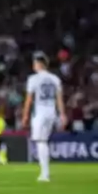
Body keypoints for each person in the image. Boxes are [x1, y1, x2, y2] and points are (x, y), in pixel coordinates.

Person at [23, 52, 66, 182]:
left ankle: (45, 173)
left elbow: (29, 99)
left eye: (35, 63)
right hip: (51, 112)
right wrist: (62, 114)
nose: (33, 66)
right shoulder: (55, 79)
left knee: (41, 142)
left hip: (40, 113)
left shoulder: (33, 79)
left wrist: (25, 115)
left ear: (39, 64)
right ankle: (44, 172)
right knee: (43, 141)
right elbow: (59, 98)